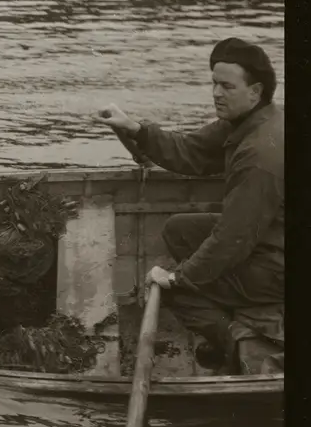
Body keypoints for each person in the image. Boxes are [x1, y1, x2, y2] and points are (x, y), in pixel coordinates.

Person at [94, 37, 283, 373]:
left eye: (227, 86)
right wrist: (136, 129)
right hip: (269, 241)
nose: (216, 94)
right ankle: (235, 315)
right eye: (214, 84)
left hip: (278, 266)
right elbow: (190, 151)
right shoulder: (249, 121)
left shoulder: (259, 155)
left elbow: (232, 240)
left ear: (255, 92)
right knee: (179, 230)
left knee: (172, 291)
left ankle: (238, 344)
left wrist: (178, 278)